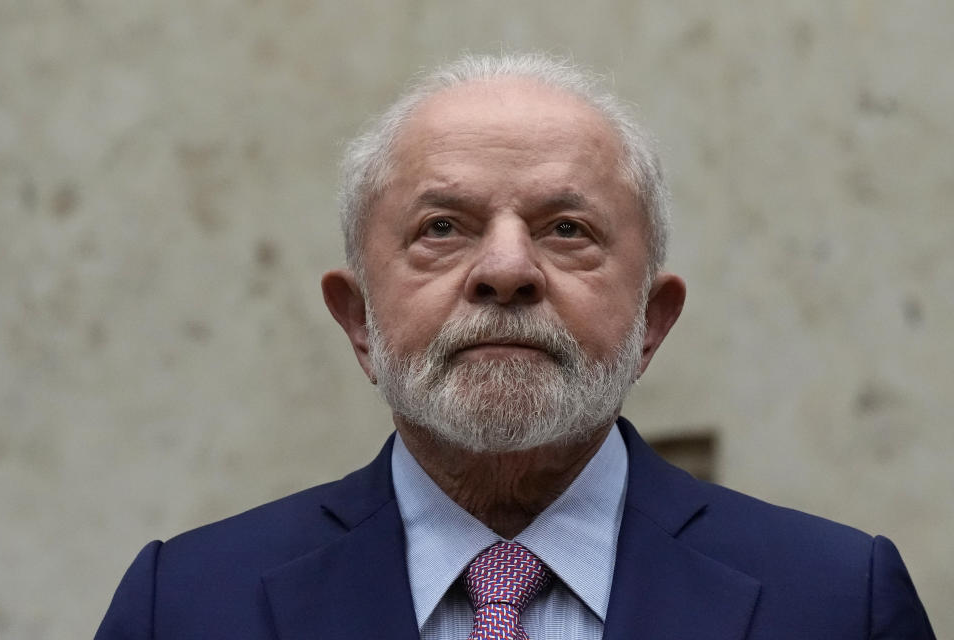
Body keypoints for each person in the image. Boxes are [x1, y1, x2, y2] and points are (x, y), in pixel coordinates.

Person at [96, 53, 935, 639]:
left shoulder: (835, 602)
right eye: (442, 228)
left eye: (566, 229)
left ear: (652, 322)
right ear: (359, 320)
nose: (505, 270)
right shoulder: (189, 608)